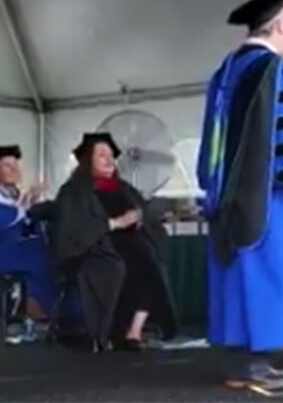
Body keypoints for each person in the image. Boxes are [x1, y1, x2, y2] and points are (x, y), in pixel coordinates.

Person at [197, 0, 283, 388]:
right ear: (279, 28)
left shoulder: (226, 70)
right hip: (270, 197)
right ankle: (254, 365)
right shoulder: (274, 69)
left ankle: (244, 363)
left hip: (228, 195)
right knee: (268, 273)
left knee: (237, 273)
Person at [53, 133, 177, 351]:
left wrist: (140, 218)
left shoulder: (124, 187)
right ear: (87, 160)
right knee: (122, 267)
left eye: (111, 155)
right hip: (96, 249)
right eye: (101, 155)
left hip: (131, 243)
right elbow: (73, 230)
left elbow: (144, 211)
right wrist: (113, 223)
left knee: (152, 262)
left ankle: (134, 332)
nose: (109, 160)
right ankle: (110, 331)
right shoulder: (74, 191)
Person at [0, 145, 53, 320]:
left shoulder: (19, 193)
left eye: (16, 166)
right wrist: (25, 206)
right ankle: (34, 308)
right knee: (38, 261)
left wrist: (34, 202)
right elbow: (7, 218)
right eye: (8, 166)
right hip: (6, 250)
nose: (15, 170)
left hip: (26, 246)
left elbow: (28, 217)